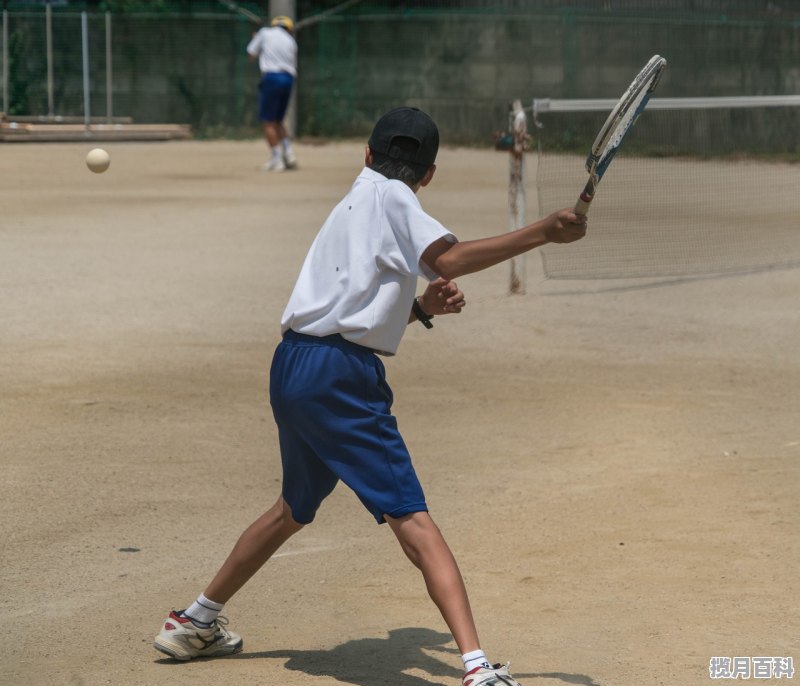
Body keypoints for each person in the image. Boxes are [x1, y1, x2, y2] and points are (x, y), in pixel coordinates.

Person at [153, 106, 587, 686]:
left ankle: (194, 619)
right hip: (341, 379)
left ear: (366, 154)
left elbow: (348, 311)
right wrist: (542, 233)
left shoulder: (357, 195)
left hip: (293, 365)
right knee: (412, 516)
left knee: (292, 508)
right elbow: (449, 260)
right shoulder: (397, 198)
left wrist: (419, 309)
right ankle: (478, 669)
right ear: (428, 174)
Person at [246, 15, 298, 172]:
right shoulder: (291, 42)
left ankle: (277, 160)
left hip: (272, 78)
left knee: (268, 122)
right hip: (288, 79)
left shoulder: (264, 33)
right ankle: (289, 154)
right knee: (278, 120)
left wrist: (257, 40)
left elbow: (251, 54)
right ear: (289, 28)